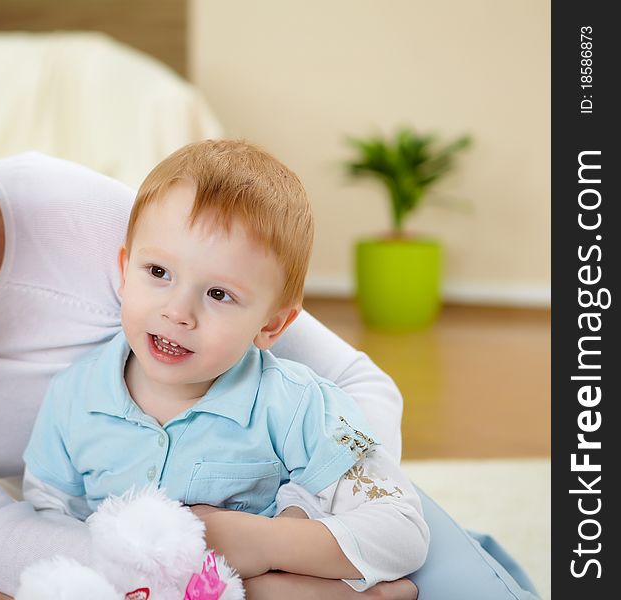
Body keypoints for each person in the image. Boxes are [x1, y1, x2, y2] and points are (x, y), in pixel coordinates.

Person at [0, 69, 538, 600]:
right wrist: (217, 578)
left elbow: (357, 388)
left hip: (285, 504)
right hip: (78, 535)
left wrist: (299, 544)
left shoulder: (57, 209)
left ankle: (478, 554)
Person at [22, 139, 429, 591]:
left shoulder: (298, 405)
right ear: (124, 270)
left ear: (272, 324)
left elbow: (403, 531)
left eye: (219, 294)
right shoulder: (73, 398)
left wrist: (262, 541)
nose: (178, 312)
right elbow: (45, 521)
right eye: (158, 272)